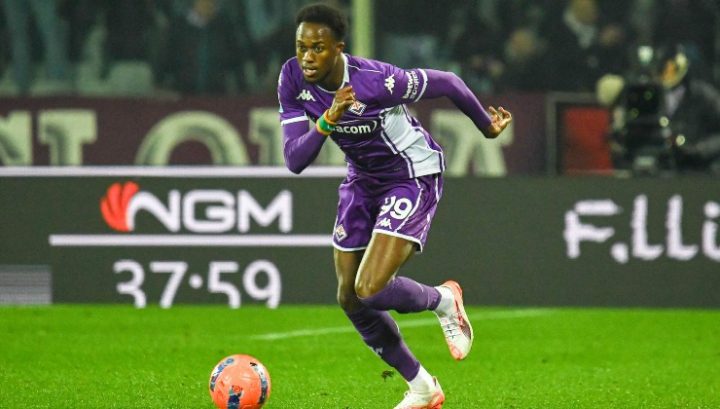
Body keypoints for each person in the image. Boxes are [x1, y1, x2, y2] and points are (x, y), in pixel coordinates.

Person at [277, 4, 512, 408]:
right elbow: (295, 159)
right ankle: (422, 387)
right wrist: (329, 119)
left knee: (370, 288)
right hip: (362, 180)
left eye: (317, 48)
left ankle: (443, 300)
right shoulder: (291, 78)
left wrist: (486, 126)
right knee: (349, 297)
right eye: (301, 47)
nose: (307, 57)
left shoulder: (376, 81)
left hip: (410, 174)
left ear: (338, 49)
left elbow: (448, 82)